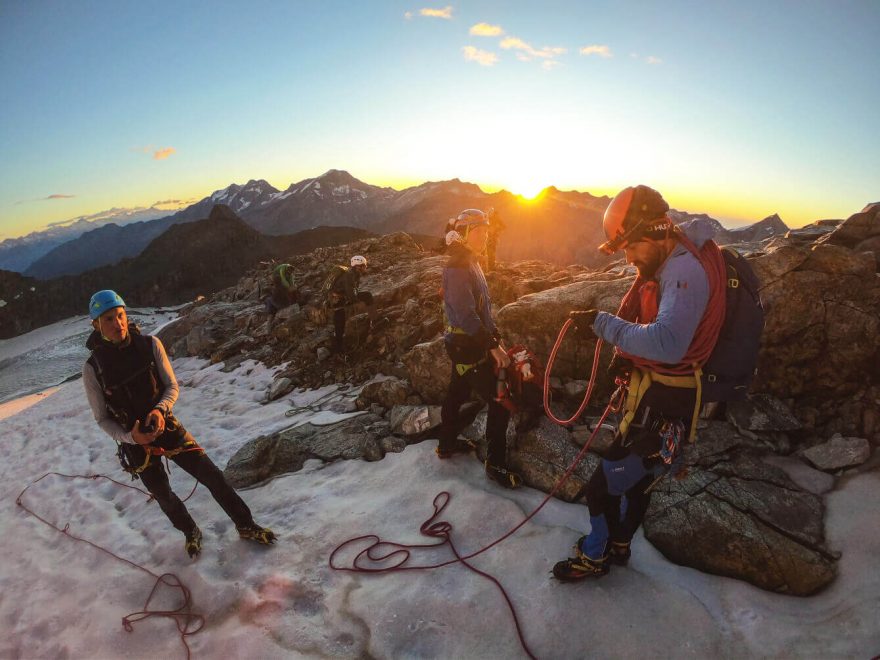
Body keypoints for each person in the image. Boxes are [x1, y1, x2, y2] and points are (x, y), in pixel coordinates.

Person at [553, 185, 726, 582]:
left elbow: (667, 343)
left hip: (663, 402)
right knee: (638, 483)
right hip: (666, 397)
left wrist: (602, 323)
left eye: (630, 248)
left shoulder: (683, 271)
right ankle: (620, 545)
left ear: (654, 231)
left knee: (602, 488)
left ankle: (594, 557)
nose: (629, 259)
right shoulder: (678, 256)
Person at [82, 290, 277, 558]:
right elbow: (102, 418)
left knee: (213, 477)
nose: (117, 324)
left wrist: (161, 411)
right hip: (136, 444)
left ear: (126, 314)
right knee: (163, 495)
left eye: (120, 315)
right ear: (96, 325)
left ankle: (246, 524)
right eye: (108, 319)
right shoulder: (93, 369)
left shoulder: (150, 345)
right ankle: (190, 531)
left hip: (167, 427)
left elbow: (171, 386)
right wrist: (132, 438)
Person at [437, 209, 522, 488]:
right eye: (479, 232)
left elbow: (481, 308)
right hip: (468, 346)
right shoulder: (458, 265)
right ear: (463, 234)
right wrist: (491, 345)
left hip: (464, 344)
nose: (485, 237)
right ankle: (495, 464)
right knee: (500, 400)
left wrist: (495, 336)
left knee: (457, 392)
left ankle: (446, 445)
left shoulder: (471, 261)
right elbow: (464, 313)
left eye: (486, 232)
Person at [326, 255, 374, 354]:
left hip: (341, 299)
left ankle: (338, 346)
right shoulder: (349, 274)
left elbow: (353, 290)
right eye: (364, 266)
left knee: (367, 296)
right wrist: (355, 301)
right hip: (337, 301)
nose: (365, 268)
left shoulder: (355, 274)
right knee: (340, 322)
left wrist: (354, 299)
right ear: (358, 266)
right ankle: (338, 347)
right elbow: (351, 293)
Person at [485, 207, 506, 272]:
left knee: (491, 251)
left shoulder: (496, 218)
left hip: (493, 237)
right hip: (487, 237)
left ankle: (491, 267)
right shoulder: (486, 218)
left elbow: (503, 226)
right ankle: (488, 267)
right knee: (487, 251)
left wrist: (496, 230)